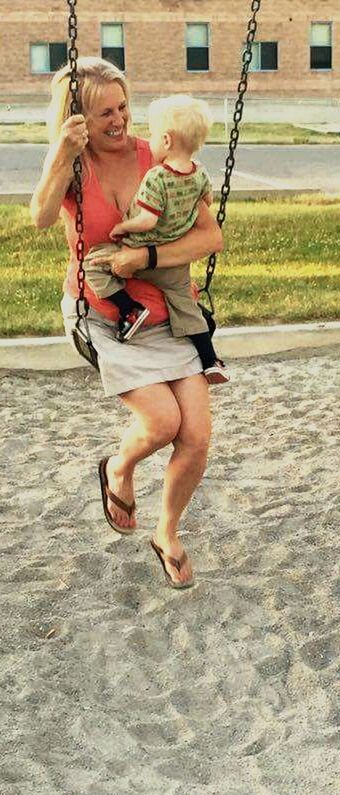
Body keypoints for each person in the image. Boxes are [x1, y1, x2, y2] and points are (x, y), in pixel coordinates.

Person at [30, 56, 224, 589]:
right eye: (102, 114)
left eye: (123, 107)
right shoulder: (73, 164)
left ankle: (167, 533)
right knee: (162, 423)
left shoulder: (158, 157)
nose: (117, 121)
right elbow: (41, 218)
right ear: (76, 120)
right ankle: (119, 469)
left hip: (166, 309)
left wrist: (148, 258)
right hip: (105, 311)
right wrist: (58, 155)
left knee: (197, 435)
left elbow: (209, 238)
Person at [84, 93, 229, 385]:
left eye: (152, 135)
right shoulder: (199, 174)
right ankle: (210, 359)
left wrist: (122, 229)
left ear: (166, 140)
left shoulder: (157, 177)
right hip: (173, 262)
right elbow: (208, 199)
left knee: (93, 264)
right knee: (185, 303)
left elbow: (147, 220)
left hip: (140, 250)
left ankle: (129, 310)